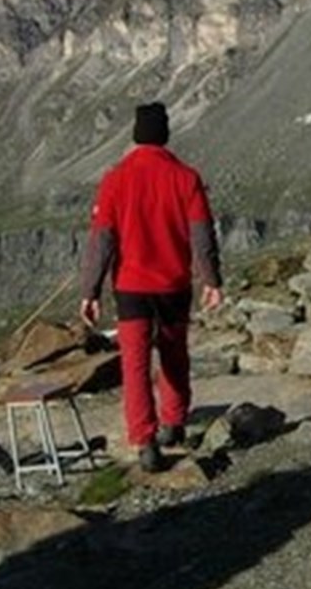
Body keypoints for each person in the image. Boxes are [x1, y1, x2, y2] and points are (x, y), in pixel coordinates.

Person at [79, 101, 223, 471]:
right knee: (174, 355)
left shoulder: (115, 179)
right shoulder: (186, 178)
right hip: (174, 284)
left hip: (131, 288)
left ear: (136, 135)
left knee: (135, 365)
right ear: (165, 134)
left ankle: (145, 441)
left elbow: (102, 240)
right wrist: (211, 280)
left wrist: (90, 291)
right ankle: (174, 422)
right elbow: (202, 235)